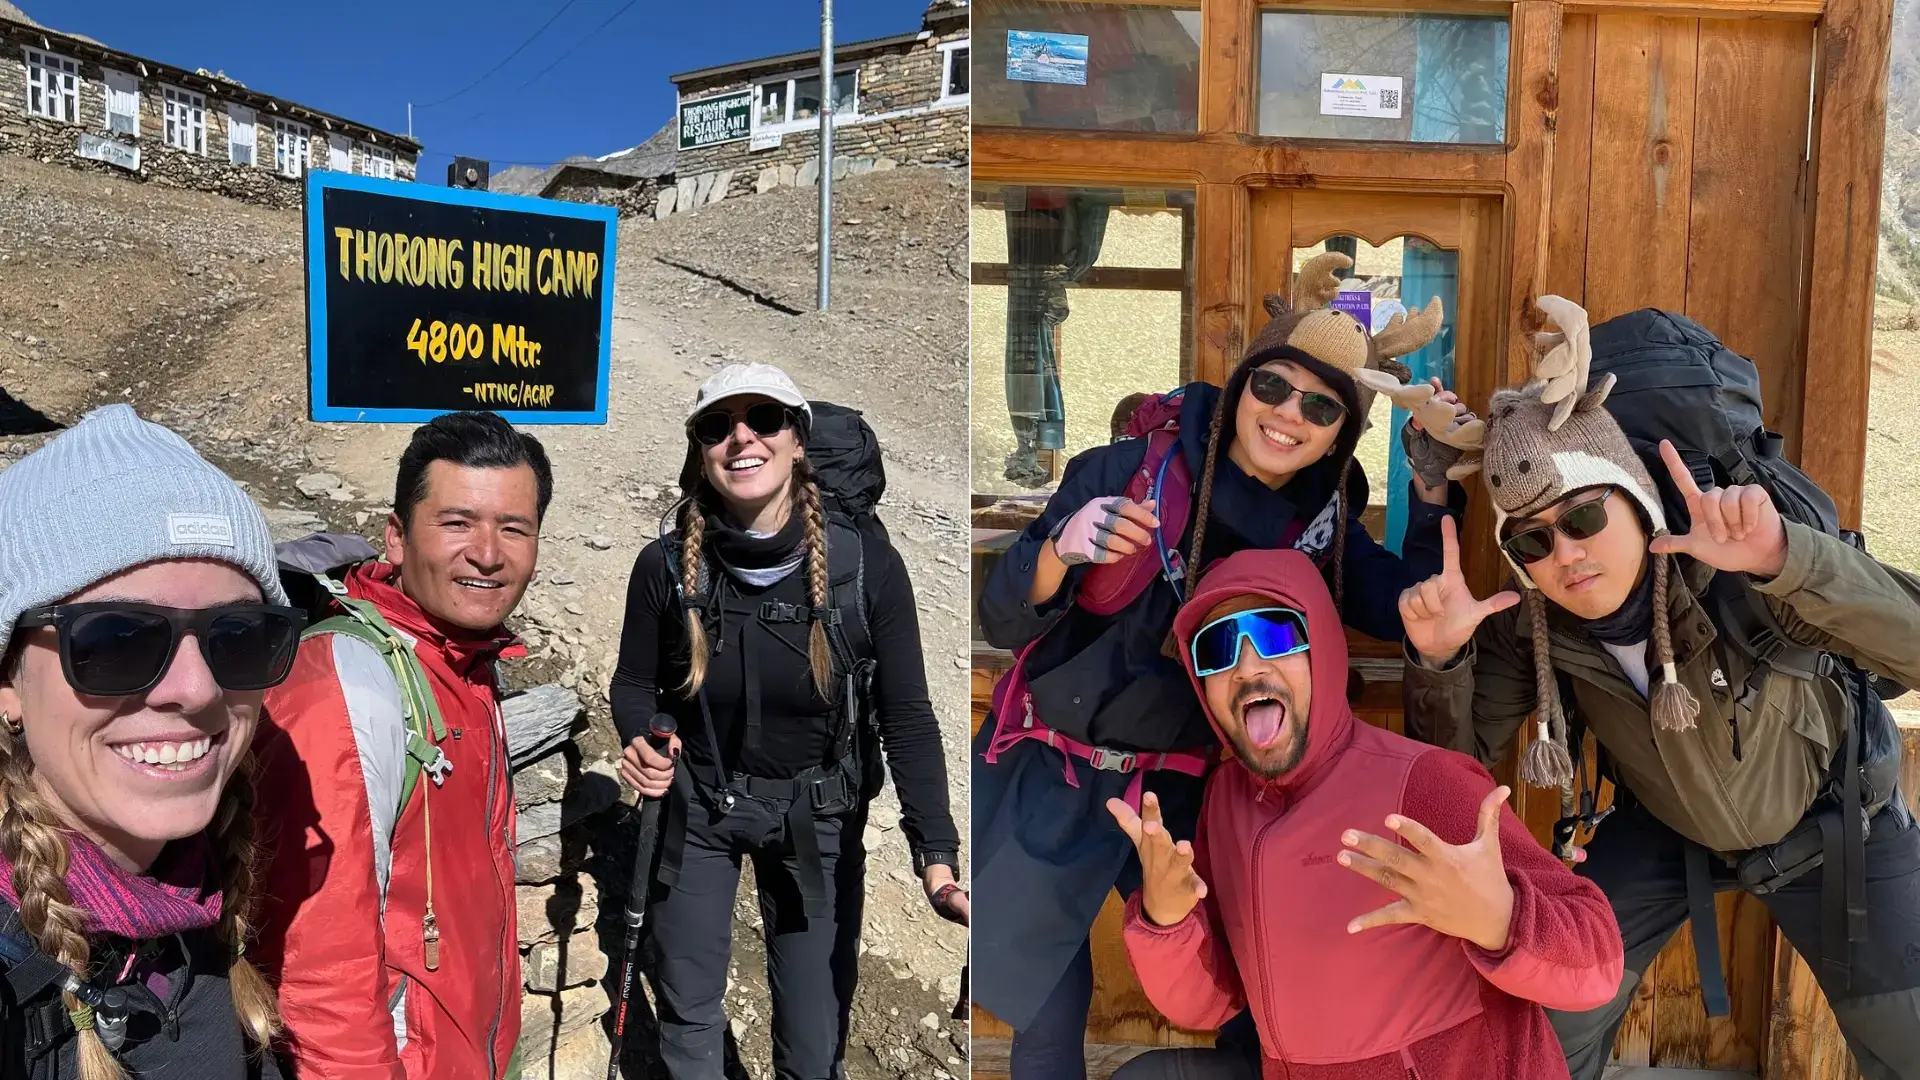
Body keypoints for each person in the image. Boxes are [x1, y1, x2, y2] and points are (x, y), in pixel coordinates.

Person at [973, 253, 1472, 1079]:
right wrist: (1060, 549)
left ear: (1340, 434)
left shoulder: (1324, 528)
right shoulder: (1122, 473)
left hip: (1197, 791)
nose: (1287, 415)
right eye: (1271, 387)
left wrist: (1428, 491)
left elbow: (1411, 607)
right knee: (1047, 1016)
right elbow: (1003, 615)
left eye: (1320, 407)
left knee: (1249, 987)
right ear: (1241, 386)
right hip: (1056, 773)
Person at [1398, 307, 1920, 1079]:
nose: (1566, 554)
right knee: (1539, 1027)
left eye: (1583, 515)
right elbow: (1453, 778)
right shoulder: (1529, 629)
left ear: (1636, 500)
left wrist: (1787, 559)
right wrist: (1439, 663)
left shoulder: (1746, 571)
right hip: (1667, 828)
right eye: (1532, 540)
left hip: (1838, 823)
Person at [1109, 546, 1622, 1079]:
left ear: (1325, 649)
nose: (1247, 666)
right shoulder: (1225, 805)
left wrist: (1501, 920)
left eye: (1276, 633)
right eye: (1216, 647)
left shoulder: (1424, 782)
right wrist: (1165, 920)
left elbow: (1598, 964)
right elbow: (1210, 1005)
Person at [610, 363, 964, 1080]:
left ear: (796, 439)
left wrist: (937, 854)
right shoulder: (665, 566)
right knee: (689, 1015)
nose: (741, 438)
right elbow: (633, 683)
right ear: (700, 449)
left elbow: (908, 717)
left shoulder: (866, 570)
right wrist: (643, 734)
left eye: (763, 420)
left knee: (812, 1037)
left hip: (816, 816)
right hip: (698, 806)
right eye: (718, 426)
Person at [251, 411, 551, 1079]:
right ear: (395, 537)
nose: (488, 552)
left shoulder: (465, 660)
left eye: (514, 528)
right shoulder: (348, 685)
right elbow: (320, 974)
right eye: (457, 523)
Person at [0, 405, 295, 1078]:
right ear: (6, 680)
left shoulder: (193, 909)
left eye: (239, 637)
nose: (195, 689)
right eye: (117, 639)